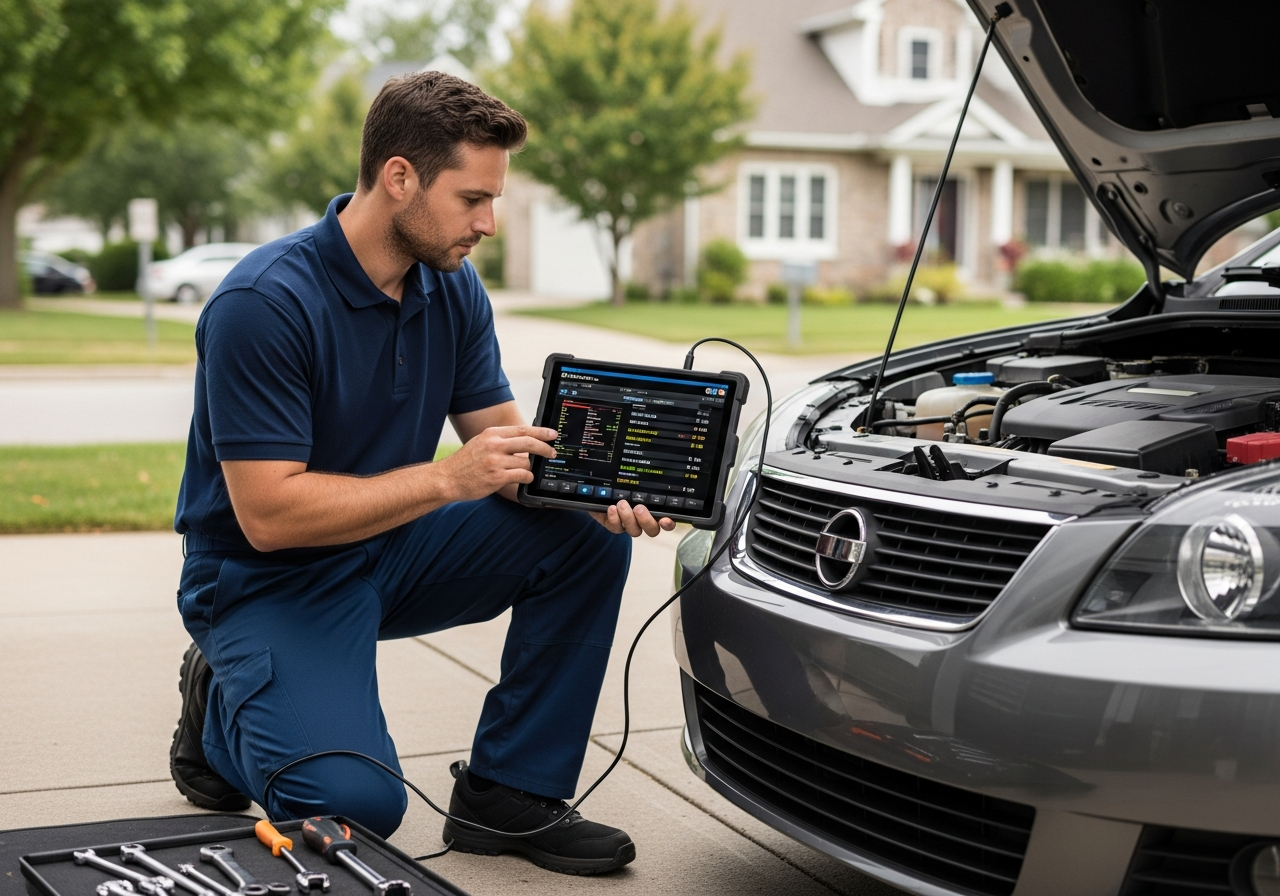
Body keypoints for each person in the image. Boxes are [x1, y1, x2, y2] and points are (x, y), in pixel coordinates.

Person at [168, 71, 673, 876]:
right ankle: (221, 710)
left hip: (390, 548)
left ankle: (509, 794)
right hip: (265, 577)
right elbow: (267, 514)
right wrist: (446, 480)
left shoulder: (450, 285)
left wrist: (594, 485)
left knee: (579, 539)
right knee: (360, 808)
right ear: (400, 177)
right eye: (473, 198)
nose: (490, 223)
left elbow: (501, 447)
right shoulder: (264, 302)